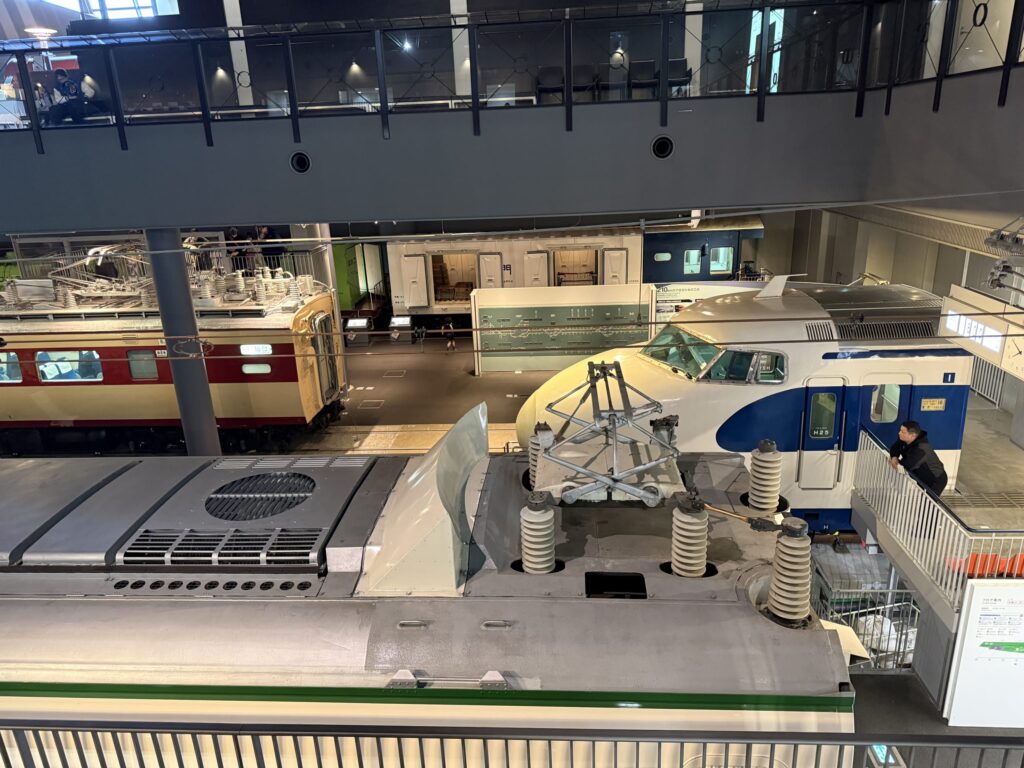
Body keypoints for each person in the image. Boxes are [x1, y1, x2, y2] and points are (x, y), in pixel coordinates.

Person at [889, 420, 948, 497]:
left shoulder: (922, 449)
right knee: (922, 500)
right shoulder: (904, 439)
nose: (899, 433)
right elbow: (895, 448)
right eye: (900, 430)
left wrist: (897, 462)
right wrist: (894, 457)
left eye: (903, 432)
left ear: (912, 435)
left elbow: (908, 465)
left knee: (928, 503)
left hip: (936, 480)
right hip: (922, 477)